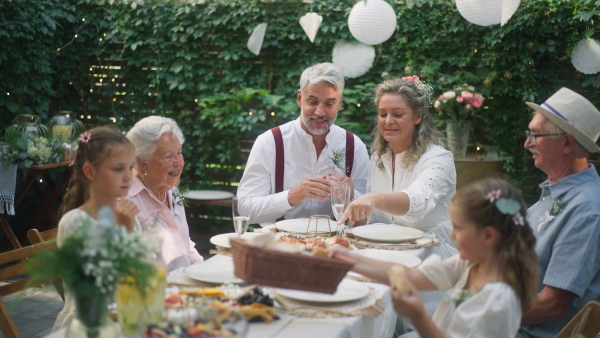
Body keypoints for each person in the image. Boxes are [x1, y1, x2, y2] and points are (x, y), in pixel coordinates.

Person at [329, 177, 539, 337]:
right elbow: (412, 276)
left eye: (458, 228)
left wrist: (418, 315)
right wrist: (348, 260)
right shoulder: (470, 264)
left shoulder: (498, 300)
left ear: (488, 236)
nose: (451, 235)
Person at [338, 76, 456, 260]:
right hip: (385, 256)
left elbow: (418, 202)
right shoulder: (378, 158)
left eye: (398, 114)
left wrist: (374, 198)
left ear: (418, 116)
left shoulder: (438, 159)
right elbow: (372, 221)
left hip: (433, 259)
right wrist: (350, 199)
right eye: (383, 114)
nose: (388, 121)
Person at [237, 62, 369, 224]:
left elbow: (367, 217)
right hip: (279, 245)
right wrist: (292, 196)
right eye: (312, 102)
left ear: (339, 104)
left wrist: (351, 196)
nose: (320, 112)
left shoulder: (354, 146)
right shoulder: (269, 142)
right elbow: (244, 209)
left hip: (335, 246)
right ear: (300, 98)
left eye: (329, 104)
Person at [518, 87, 600, 337]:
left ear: (566, 143)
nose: (526, 143)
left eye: (536, 135)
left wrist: (479, 315)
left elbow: (552, 305)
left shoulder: (587, 209)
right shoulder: (560, 193)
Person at [53, 126, 141, 331]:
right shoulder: (74, 223)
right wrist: (125, 234)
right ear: (90, 171)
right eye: (118, 169)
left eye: (130, 167)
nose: (128, 177)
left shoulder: (127, 216)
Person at [126, 116, 203, 271]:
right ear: (143, 162)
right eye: (168, 156)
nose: (178, 162)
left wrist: (200, 268)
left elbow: (183, 242)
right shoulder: (126, 201)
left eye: (179, 153)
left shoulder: (172, 190)